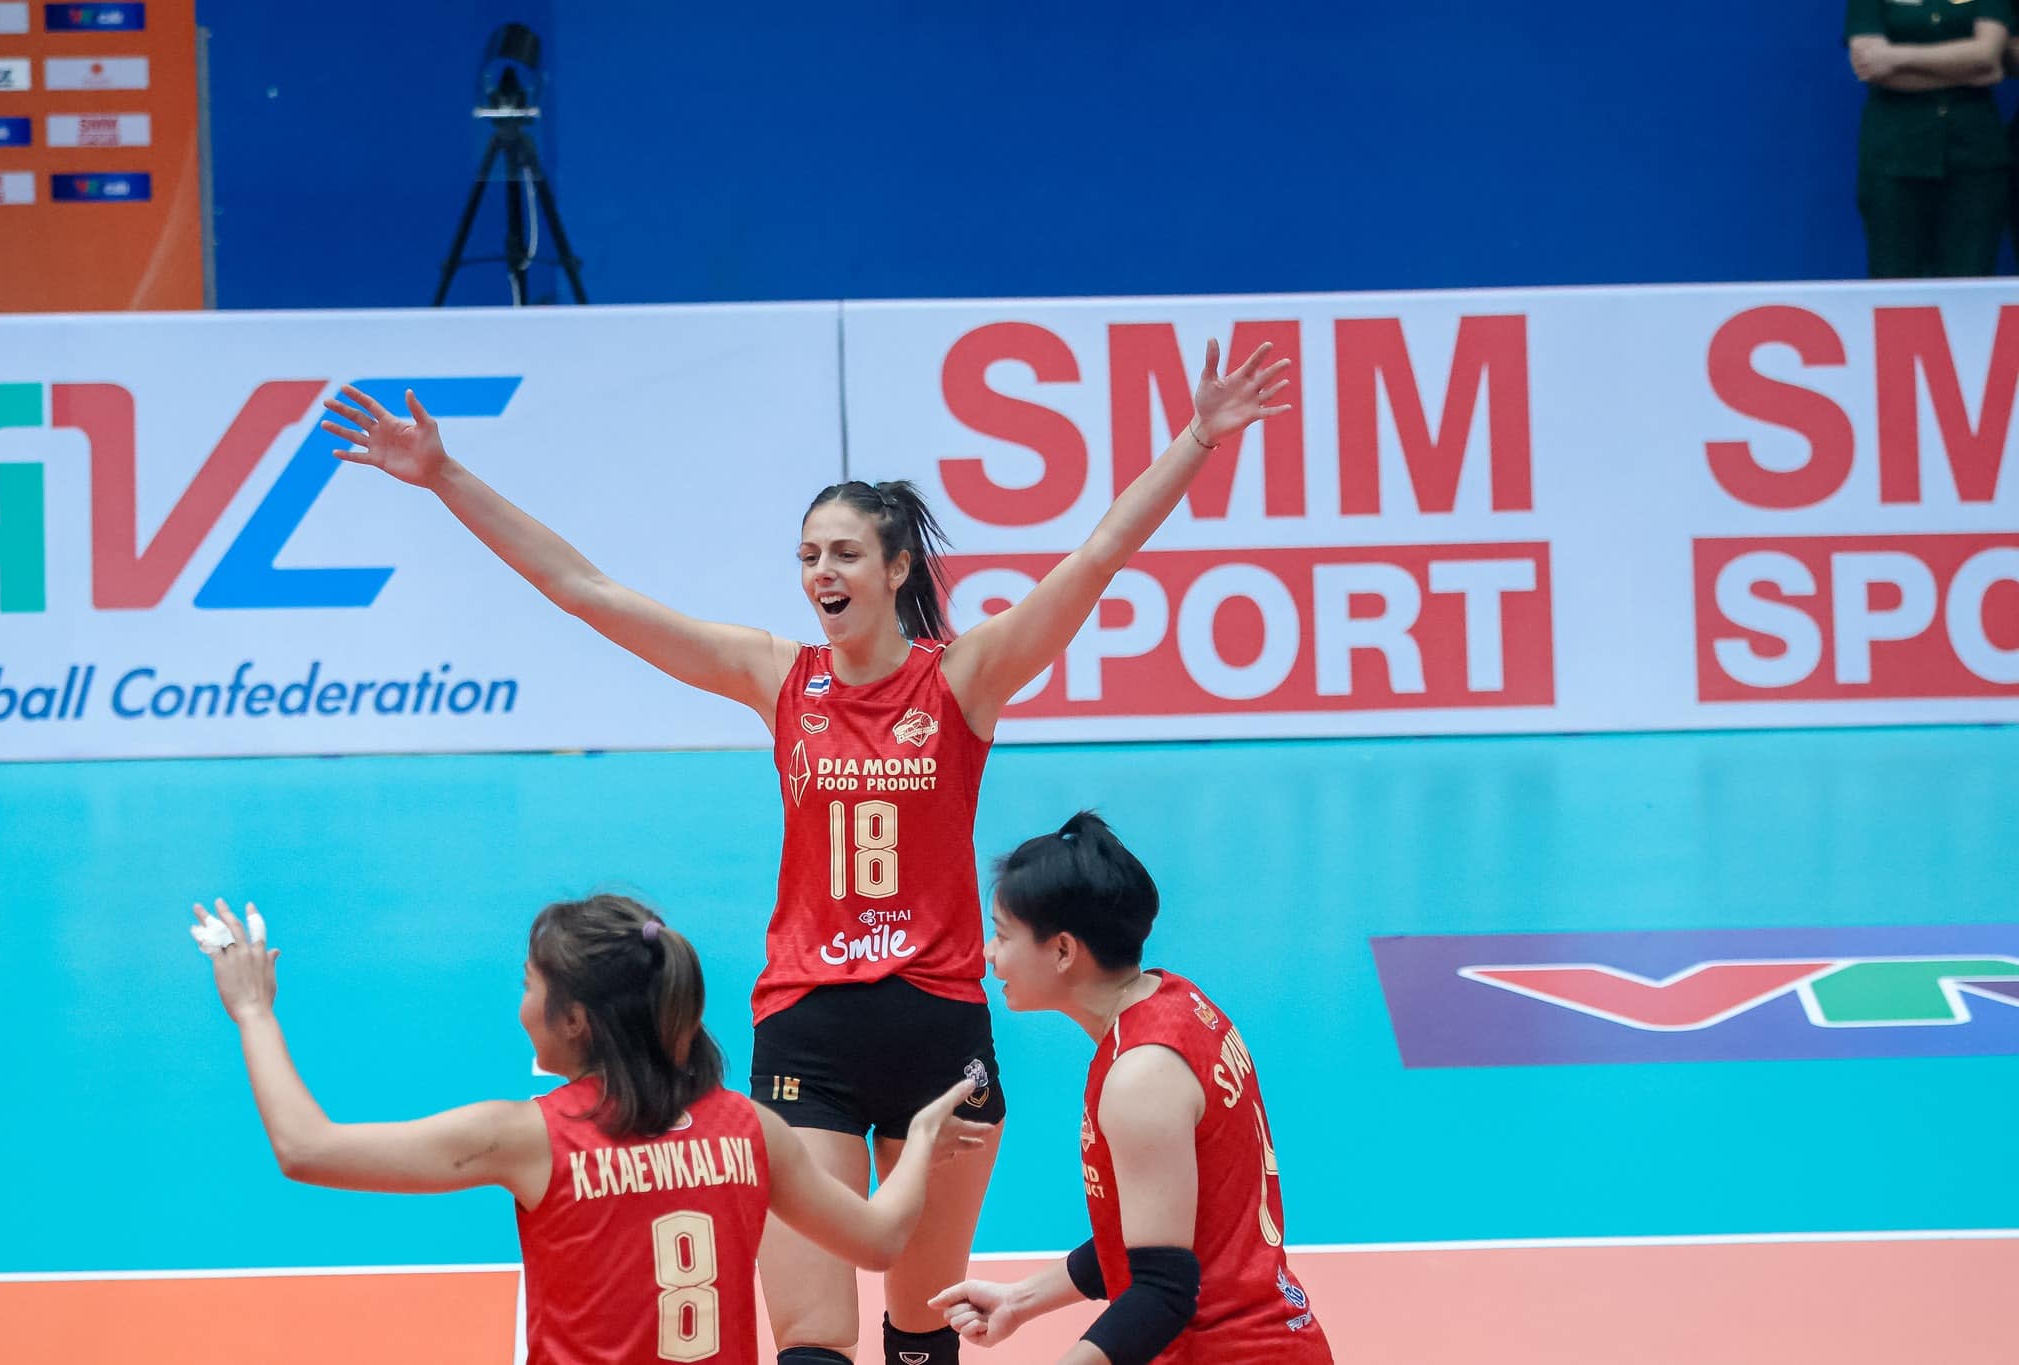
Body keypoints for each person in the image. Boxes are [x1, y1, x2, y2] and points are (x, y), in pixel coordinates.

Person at [318, 338, 1291, 1365]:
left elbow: (1094, 559)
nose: (821, 572)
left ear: (897, 568)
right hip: (807, 1028)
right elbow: (586, 589)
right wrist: (444, 476)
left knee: (922, 1332)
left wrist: (1197, 438)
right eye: (808, 555)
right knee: (814, 1341)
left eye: (844, 554)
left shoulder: (962, 678)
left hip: (938, 1029)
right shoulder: (778, 678)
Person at [189, 894, 989, 1365]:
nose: (520, 1005)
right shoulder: (750, 1128)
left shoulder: (530, 1137)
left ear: (575, 1019)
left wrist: (253, 1011)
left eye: (528, 985)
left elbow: (306, 1148)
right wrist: (917, 1142)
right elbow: (882, 1240)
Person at [933, 813, 1334, 1365]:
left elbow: (1162, 1292)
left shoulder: (1141, 1075)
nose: (988, 952)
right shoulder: (1177, 1003)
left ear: (1063, 951)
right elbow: (1154, 1233)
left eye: (1002, 935)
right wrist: (1020, 1301)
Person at [1846, 0, 2011, 278]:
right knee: (1893, 281)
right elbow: (1869, 65)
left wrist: (1897, 57)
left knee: (1970, 281)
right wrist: (1966, 68)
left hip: (1975, 156)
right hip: (1894, 158)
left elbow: (1986, 56)